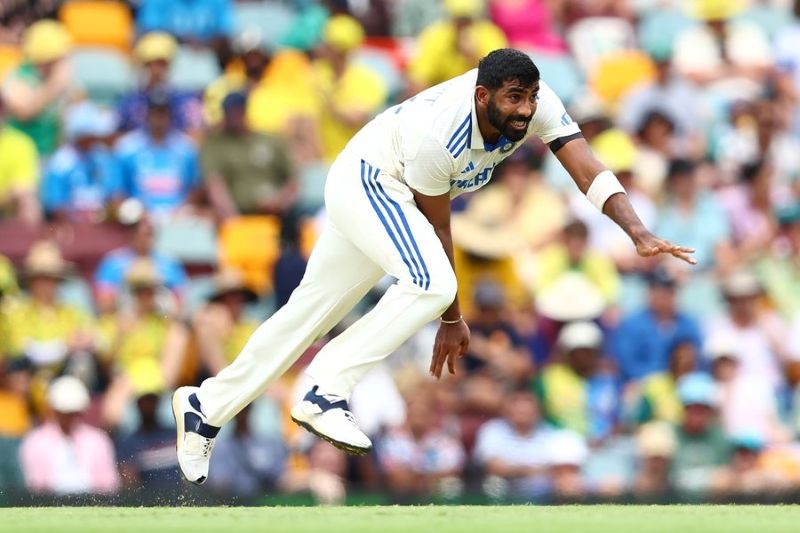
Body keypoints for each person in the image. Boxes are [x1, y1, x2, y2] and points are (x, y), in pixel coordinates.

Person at [172, 48, 695, 486]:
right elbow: (437, 230)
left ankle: (205, 407)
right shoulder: (440, 133)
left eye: (531, 97)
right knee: (431, 282)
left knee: (307, 313)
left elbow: (586, 168)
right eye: (514, 98)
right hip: (373, 182)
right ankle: (323, 387)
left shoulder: (538, 104)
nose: (525, 109)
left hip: (383, 193)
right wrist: (451, 317)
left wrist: (637, 231)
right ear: (482, 95)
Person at [201, 92, 297, 220]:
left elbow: (293, 180)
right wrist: (234, 219)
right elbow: (215, 185)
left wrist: (280, 202)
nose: (233, 116)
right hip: (240, 214)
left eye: (237, 110)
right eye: (229, 112)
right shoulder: (215, 144)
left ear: (245, 110)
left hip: (278, 212)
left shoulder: (270, 140)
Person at [19, 376, 119, 495]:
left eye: (73, 412)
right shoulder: (35, 441)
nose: (70, 416)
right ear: (53, 410)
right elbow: (35, 485)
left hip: (92, 502)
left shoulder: (98, 440)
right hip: (49, 503)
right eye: (65, 412)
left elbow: (108, 485)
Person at [1, 19, 74, 157]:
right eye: (57, 59)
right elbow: (24, 112)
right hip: (22, 155)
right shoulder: (18, 76)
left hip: (50, 151)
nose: (61, 64)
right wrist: (54, 85)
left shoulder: (56, 78)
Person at [41, 101, 121, 222]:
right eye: (90, 136)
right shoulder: (61, 163)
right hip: (72, 226)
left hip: (101, 224)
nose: (94, 139)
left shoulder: (102, 158)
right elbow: (55, 206)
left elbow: (113, 195)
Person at [0, 96, 40, 224]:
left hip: (6, 210)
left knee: (28, 203)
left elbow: (22, 189)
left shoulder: (21, 144)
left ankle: (25, 236)